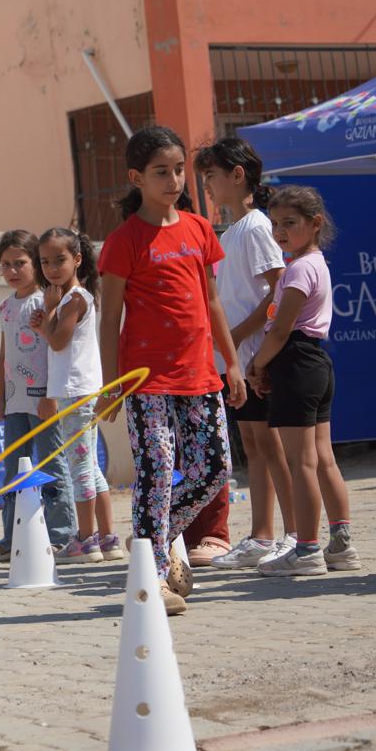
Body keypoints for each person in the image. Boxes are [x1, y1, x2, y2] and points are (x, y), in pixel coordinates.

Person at [98, 127, 246, 616]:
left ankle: (147, 540)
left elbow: (212, 301)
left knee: (215, 469)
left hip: (201, 375)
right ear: (137, 177)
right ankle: (153, 573)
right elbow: (109, 317)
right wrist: (110, 385)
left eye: (179, 169)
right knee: (156, 472)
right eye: (162, 171)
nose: (175, 179)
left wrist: (232, 362)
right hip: (146, 381)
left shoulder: (201, 230)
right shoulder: (124, 241)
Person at [195, 140, 296, 571]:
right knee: (254, 446)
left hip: (256, 355)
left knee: (272, 447)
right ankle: (262, 534)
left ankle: (295, 534)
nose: (208, 187)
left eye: (212, 177)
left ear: (238, 175)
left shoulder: (256, 226)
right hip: (237, 358)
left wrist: (237, 337)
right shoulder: (232, 230)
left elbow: (280, 288)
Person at [249, 185, 358, 578]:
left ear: (315, 224)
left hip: (296, 361)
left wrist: (257, 365)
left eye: (289, 223)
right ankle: (341, 544)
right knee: (322, 458)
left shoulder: (298, 269)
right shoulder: (314, 264)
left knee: (302, 462)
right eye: (276, 224)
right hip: (312, 362)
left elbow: (280, 330)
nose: (280, 231)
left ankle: (308, 548)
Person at [0, 230, 77, 562]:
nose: (12, 271)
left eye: (19, 263)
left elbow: (55, 351)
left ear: (35, 263)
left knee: (51, 464)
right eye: (5, 264)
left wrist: (50, 395)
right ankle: (13, 537)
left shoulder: (46, 302)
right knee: (14, 470)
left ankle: (62, 535)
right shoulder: (6, 306)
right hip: (14, 403)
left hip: (43, 401)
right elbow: (5, 355)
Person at [37, 227, 123, 563]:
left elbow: (57, 342)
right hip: (81, 390)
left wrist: (45, 317)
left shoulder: (74, 299)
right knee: (91, 466)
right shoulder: (74, 299)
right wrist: (49, 315)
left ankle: (86, 540)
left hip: (76, 392)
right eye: (45, 262)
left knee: (80, 468)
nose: (52, 268)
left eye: (59, 260)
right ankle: (108, 537)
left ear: (77, 259)